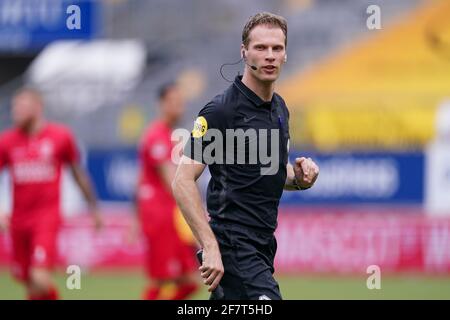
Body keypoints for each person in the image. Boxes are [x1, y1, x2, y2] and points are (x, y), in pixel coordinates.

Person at [172, 12, 319, 300]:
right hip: (233, 249)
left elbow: (269, 170)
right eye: (260, 48)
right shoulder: (221, 111)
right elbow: (182, 180)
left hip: (262, 248)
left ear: (286, 54)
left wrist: (299, 178)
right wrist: (210, 247)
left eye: (277, 48)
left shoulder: (279, 109)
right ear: (244, 52)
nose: (269, 56)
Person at [0, 87, 102, 300]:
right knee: (28, 282)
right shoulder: (7, 141)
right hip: (18, 220)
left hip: (46, 218)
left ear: (38, 107)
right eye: (14, 108)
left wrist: (94, 209)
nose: (15, 112)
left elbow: (78, 174)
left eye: (21, 107)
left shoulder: (60, 136)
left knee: (39, 277)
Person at [133, 82, 199, 300]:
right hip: (160, 216)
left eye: (181, 103)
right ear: (161, 104)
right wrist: (197, 213)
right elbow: (173, 182)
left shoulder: (172, 136)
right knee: (163, 280)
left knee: (189, 281)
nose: (179, 107)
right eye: (173, 102)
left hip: (172, 215)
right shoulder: (156, 136)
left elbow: (141, 178)